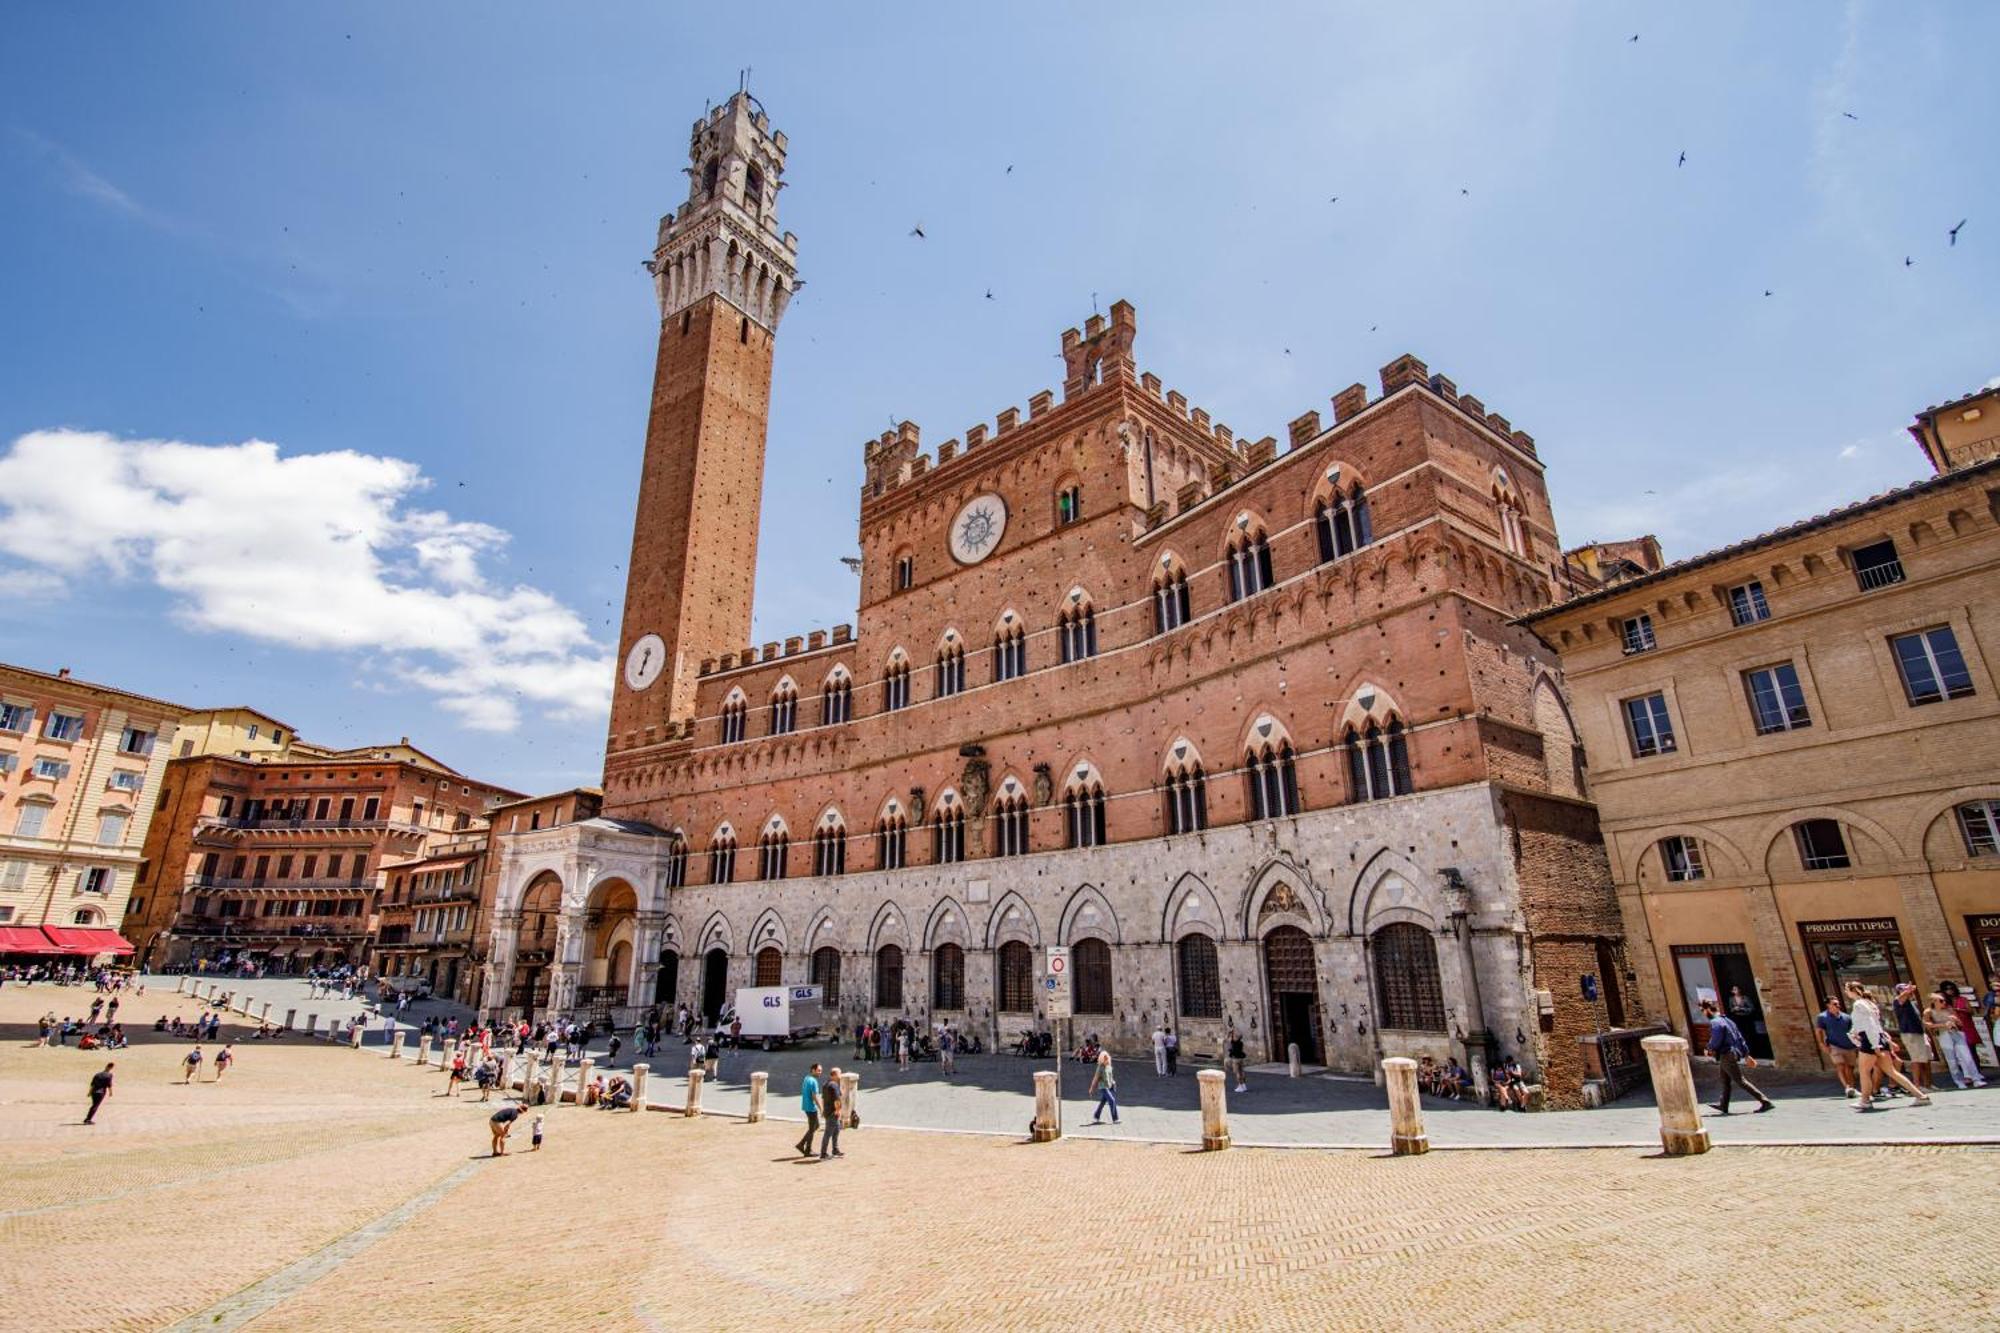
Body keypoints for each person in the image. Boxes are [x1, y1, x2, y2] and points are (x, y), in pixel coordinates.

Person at [1845, 981, 1930, 1111]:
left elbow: (1870, 1025)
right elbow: (1875, 1025)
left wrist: (1875, 1045)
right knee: (1891, 1071)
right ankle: (1920, 1096)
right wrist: (1885, 1041)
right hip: (1878, 1038)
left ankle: (1865, 1100)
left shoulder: (1858, 1004)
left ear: (1852, 991)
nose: (1846, 992)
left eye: (1847, 990)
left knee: (1864, 1071)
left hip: (1870, 1040)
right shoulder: (1869, 1003)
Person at [1699, 998, 1773, 1114]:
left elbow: (1716, 1040)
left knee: (1740, 1080)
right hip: (1731, 1053)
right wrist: (1746, 1054)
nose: (1703, 1013)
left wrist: (1709, 1048)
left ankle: (1765, 1101)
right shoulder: (1728, 1020)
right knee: (1725, 1080)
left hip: (1727, 1054)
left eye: (1702, 1010)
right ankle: (1723, 1105)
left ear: (1708, 1009)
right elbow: (1739, 1038)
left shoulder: (1716, 1022)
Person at [1926, 991, 1984, 1089]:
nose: (1943, 1002)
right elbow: (1927, 1025)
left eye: (1944, 1000)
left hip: (1955, 1033)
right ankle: (1958, 1080)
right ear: (1934, 1001)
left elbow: (1960, 1023)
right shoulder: (1929, 1011)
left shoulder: (1949, 1009)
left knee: (1967, 1056)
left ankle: (1976, 1078)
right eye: (1941, 1001)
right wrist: (1943, 1025)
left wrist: (1955, 1020)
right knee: (1952, 1060)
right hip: (1944, 1035)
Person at [1813, 995, 1859, 1098]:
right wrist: (1822, 1044)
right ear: (1828, 1005)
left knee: (1850, 1067)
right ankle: (1847, 1087)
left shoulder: (1846, 1017)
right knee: (1840, 1065)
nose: (1838, 1005)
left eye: (1838, 1003)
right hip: (1834, 1045)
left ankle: (1852, 1088)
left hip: (1849, 1045)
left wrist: (1857, 1043)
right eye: (1835, 1004)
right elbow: (1819, 1031)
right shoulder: (1822, 1017)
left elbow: (1853, 1031)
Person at [1890, 983, 1934, 1091]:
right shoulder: (1898, 1001)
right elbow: (1900, 998)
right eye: (1904, 990)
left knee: (1926, 1059)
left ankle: (1928, 1084)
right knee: (1917, 1059)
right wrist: (1908, 990)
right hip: (1910, 1033)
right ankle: (1917, 1085)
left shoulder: (1912, 1003)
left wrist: (1924, 1033)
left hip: (1919, 1033)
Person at [1088, 1048, 1120, 1124]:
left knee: (1102, 1102)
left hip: (1109, 1086)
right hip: (1103, 1087)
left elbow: (1111, 1076)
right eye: (1104, 1058)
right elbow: (1095, 1078)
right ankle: (1115, 1119)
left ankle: (1096, 1116)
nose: (1106, 1060)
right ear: (1101, 1059)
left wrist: (1113, 1082)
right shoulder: (1100, 1067)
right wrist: (1091, 1089)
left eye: (1107, 1058)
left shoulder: (1109, 1066)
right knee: (1112, 1100)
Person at [797, 1063, 823, 1158]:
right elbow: (815, 1096)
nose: (820, 1072)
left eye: (820, 1070)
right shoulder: (813, 1081)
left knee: (815, 1126)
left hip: (806, 1106)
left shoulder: (806, 1078)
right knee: (813, 1128)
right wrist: (821, 1108)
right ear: (813, 1070)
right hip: (811, 1107)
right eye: (818, 1070)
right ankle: (806, 1148)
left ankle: (803, 1146)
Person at [819, 1066, 845, 1159]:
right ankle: (823, 1153)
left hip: (827, 1111)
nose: (840, 1076)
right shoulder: (834, 1085)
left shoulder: (826, 1084)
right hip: (833, 1113)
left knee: (836, 1130)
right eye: (839, 1074)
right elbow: (837, 1100)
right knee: (828, 1133)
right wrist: (838, 1111)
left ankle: (835, 1150)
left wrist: (822, 1110)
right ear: (834, 1075)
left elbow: (823, 1098)